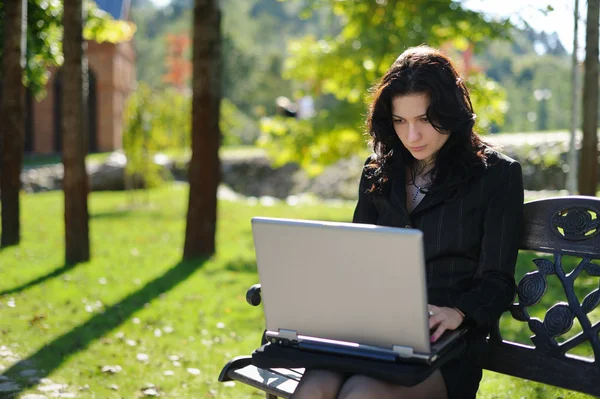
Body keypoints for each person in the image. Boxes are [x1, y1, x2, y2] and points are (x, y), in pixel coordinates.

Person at [290, 46, 524, 399]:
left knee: (360, 394)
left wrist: (459, 311)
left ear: (450, 111)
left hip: (446, 344)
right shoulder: (378, 171)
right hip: (371, 330)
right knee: (314, 391)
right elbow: (356, 258)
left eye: (425, 119)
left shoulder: (497, 175)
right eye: (400, 121)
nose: (412, 135)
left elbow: (498, 280)